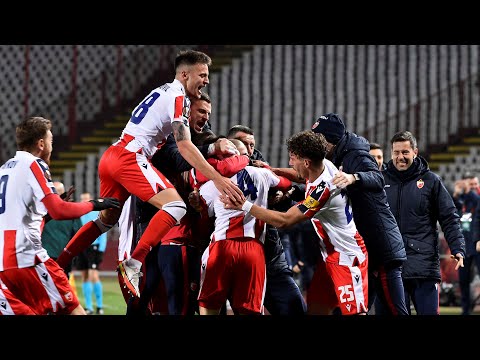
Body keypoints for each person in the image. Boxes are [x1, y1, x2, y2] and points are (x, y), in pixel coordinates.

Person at [56, 49, 243, 299]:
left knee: (106, 220)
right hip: (130, 157)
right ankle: (133, 264)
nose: (207, 80)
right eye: (203, 74)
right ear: (185, 74)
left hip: (112, 155)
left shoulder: (161, 90)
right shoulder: (178, 98)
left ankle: (59, 263)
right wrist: (218, 178)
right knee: (176, 206)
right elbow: (184, 146)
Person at [221, 131, 369, 315]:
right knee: (315, 310)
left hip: (346, 257)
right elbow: (301, 176)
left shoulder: (323, 190)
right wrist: (272, 170)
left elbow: (285, 220)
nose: (290, 163)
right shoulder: (324, 165)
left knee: (354, 313)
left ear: (305, 162)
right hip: (328, 255)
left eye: (292, 158)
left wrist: (244, 205)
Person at [0, 116, 120, 315]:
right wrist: (95, 204)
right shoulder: (34, 164)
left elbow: (20, 217)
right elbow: (59, 210)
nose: (51, 146)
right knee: (72, 309)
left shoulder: (4, 169)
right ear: (41, 144)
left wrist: (45, 211)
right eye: (50, 141)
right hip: (28, 258)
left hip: (3, 266)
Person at [305, 113, 408, 315]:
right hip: (365, 247)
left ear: (328, 140)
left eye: (318, 138)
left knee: (396, 310)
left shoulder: (356, 155)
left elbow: (377, 179)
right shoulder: (338, 157)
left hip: (381, 247)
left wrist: (354, 177)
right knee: (352, 310)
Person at [198, 139, 293, 314]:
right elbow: (286, 183)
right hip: (254, 249)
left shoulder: (212, 184)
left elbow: (202, 214)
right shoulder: (262, 174)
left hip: (222, 246)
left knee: (209, 305)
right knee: (250, 309)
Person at [381, 130, 465, 315]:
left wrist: (457, 248)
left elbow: (449, 217)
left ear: (415, 152)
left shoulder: (431, 181)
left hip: (424, 268)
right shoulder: (381, 181)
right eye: (396, 152)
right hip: (392, 266)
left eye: (405, 152)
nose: (400, 157)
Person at [227, 124, 307, 315]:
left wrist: (283, 196)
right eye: (242, 144)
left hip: (269, 254)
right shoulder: (215, 174)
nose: (248, 150)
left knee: (295, 307)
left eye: (252, 145)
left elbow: (286, 197)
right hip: (234, 257)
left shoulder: (261, 168)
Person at [74, 192, 108, 315]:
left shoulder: (96, 213)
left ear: (90, 200)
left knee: (94, 276)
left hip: (94, 247)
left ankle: (99, 306)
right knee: (84, 276)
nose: (84, 201)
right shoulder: (78, 214)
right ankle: (89, 307)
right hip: (81, 248)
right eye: (82, 199)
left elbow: (103, 230)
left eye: (86, 199)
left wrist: (101, 248)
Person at [41, 181, 81, 279]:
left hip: (44, 255)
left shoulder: (41, 209)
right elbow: (78, 235)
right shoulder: (72, 210)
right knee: (63, 285)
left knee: (45, 286)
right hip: (64, 256)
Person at [452, 173, 480, 315]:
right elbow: (452, 209)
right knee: (463, 281)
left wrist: (469, 190)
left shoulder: (476, 198)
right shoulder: (462, 199)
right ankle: (465, 310)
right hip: (464, 247)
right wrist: (457, 194)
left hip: (477, 246)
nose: (473, 187)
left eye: (475, 184)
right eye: (470, 184)